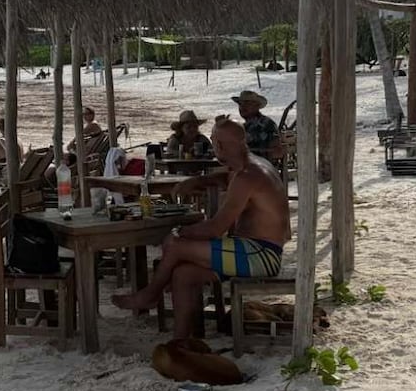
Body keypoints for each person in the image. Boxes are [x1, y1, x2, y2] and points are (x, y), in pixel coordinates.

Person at [112, 120, 290, 339]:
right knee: (183, 274)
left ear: (219, 146)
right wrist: (198, 180)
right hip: (254, 250)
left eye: (214, 141)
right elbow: (226, 178)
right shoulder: (252, 165)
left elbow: (215, 229)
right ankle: (182, 341)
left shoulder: (247, 176)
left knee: (176, 245)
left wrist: (180, 232)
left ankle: (150, 294)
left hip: (262, 255)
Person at [231, 90, 283, 160]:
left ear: (257, 106)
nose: (242, 107)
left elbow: (275, 152)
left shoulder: (266, 124)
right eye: (240, 104)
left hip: (260, 166)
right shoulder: (244, 126)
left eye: (247, 104)